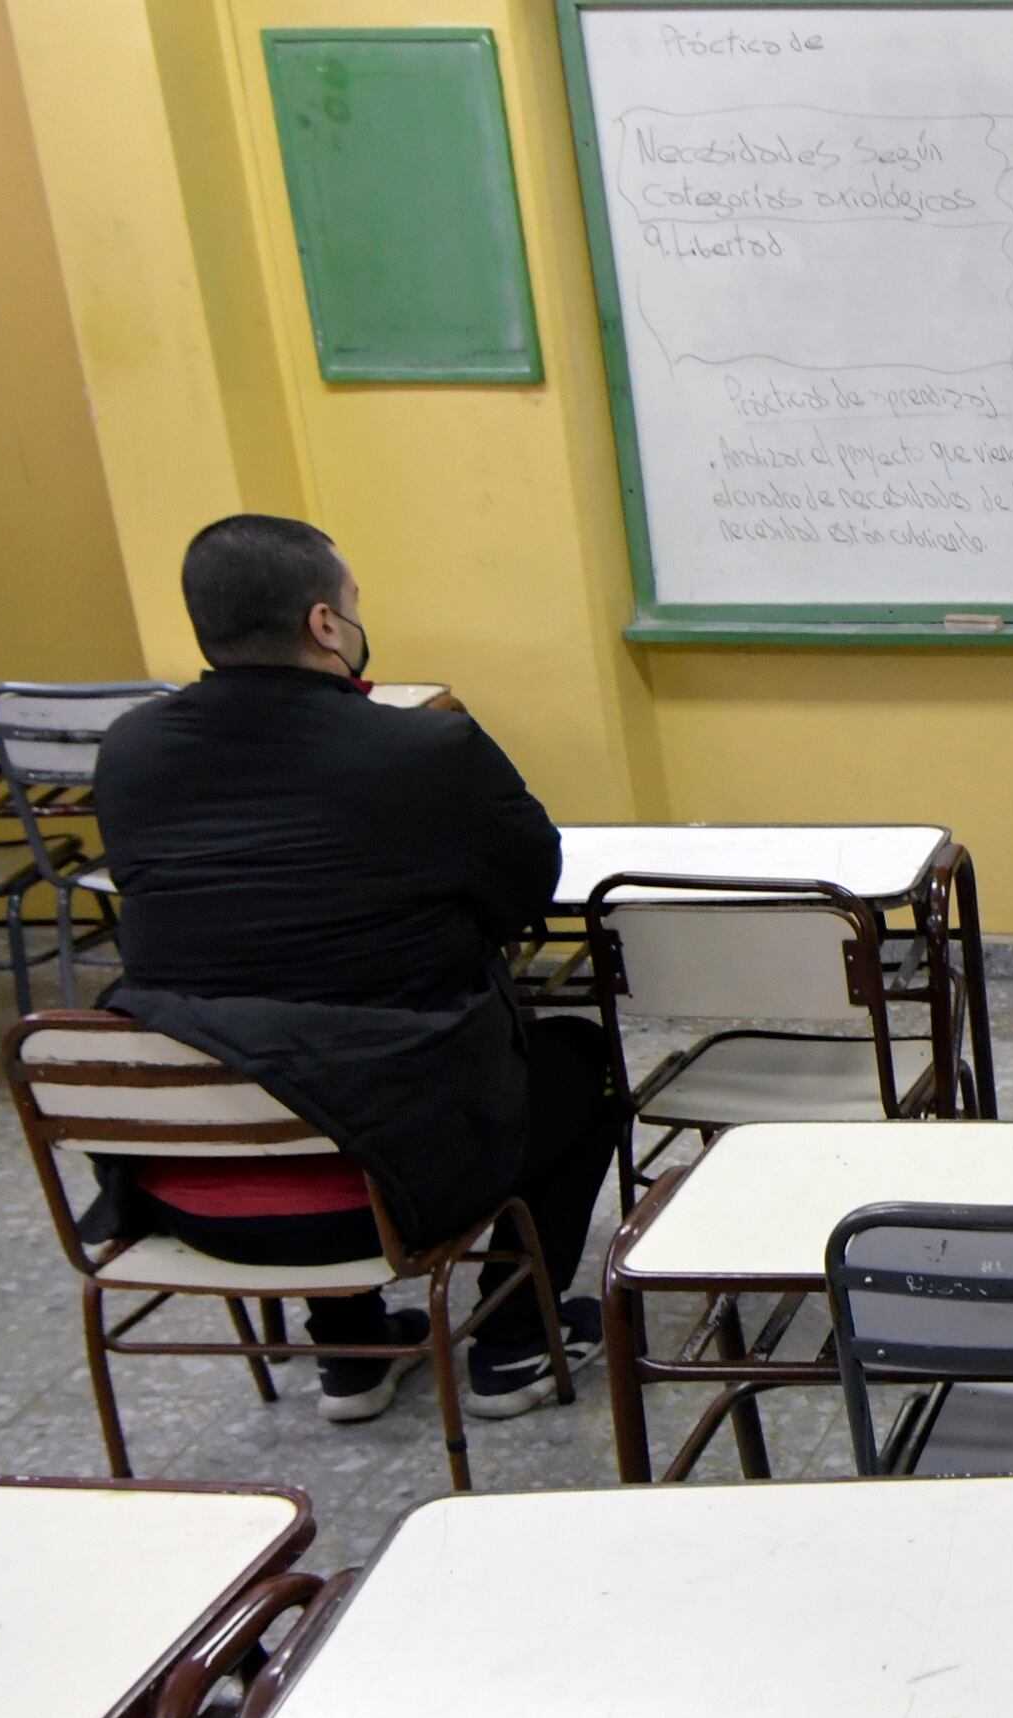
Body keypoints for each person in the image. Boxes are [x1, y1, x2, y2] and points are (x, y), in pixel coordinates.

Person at [92, 513, 622, 1423]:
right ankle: (512, 1344)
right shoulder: (423, 750)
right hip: (392, 1181)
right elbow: (530, 882)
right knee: (578, 1063)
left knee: (260, 1034)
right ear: (325, 626)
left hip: (183, 1181)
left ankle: (351, 1354)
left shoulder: (131, 749)